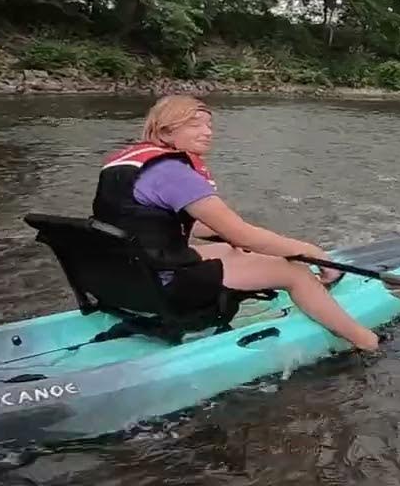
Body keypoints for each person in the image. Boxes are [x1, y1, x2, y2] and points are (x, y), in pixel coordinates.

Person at [92, 94, 380, 351]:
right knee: (294, 271)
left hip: (127, 274)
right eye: (195, 125)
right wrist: (313, 252)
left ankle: (255, 285)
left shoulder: (125, 163)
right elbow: (241, 234)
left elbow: (162, 222)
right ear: (166, 130)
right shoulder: (173, 173)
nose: (207, 133)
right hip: (164, 282)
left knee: (232, 251)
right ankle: (364, 340)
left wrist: (236, 240)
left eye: (209, 126)